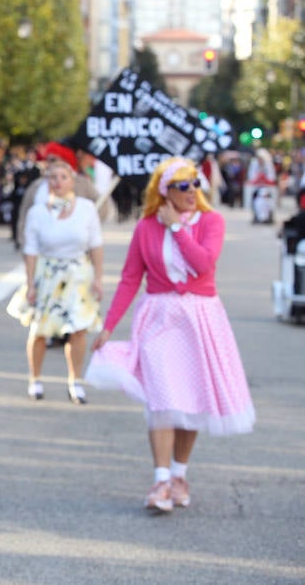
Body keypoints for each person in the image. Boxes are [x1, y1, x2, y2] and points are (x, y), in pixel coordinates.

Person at [86, 156, 255, 513]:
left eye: (195, 183)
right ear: (164, 193)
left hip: (200, 320)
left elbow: (203, 263)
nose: (192, 191)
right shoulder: (146, 227)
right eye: (182, 186)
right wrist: (109, 326)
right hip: (159, 319)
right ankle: (161, 480)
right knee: (161, 400)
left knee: (189, 402)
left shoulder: (211, 221)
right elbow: (131, 278)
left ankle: (179, 475)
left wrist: (177, 228)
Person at [6, 158, 104, 404]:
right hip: (47, 272)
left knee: (77, 330)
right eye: (53, 177)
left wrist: (99, 279)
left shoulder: (85, 208)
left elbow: (96, 245)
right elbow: (30, 249)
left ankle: (75, 381)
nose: (58, 182)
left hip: (77, 273)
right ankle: (35, 379)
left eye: (63, 177)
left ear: (72, 181)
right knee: (39, 329)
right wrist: (30, 283)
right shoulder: (38, 212)